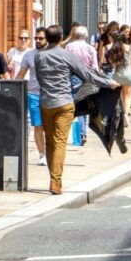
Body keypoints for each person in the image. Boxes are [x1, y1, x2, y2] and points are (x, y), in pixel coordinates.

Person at [34, 25, 115, 194]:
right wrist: (108, 82)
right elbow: (87, 74)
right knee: (60, 142)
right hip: (64, 103)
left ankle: (53, 178)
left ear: (46, 39)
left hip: (45, 103)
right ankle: (55, 182)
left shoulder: (39, 56)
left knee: (50, 141)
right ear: (62, 37)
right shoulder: (67, 55)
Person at [14, 28, 48, 165]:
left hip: (50, 95)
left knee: (50, 127)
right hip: (33, 94)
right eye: (36, 38)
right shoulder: (29, 55)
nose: (38, 41)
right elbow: (20, 75)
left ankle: (51, 151)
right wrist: (11, 88)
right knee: (38, 126)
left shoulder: (53, 54)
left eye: (41, 38)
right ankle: (42, 154)